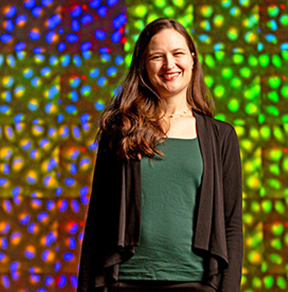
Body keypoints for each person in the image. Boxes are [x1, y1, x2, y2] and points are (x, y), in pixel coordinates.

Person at [77, 18, 243, 292]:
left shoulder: (221, 137)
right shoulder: (119, 130)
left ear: (192, 58)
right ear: (143, 64)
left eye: (178, 53)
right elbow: (97, 220)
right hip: (124, 282)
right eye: (157, 56)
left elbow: (231, 225)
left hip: (196, 283)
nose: (169, 65)